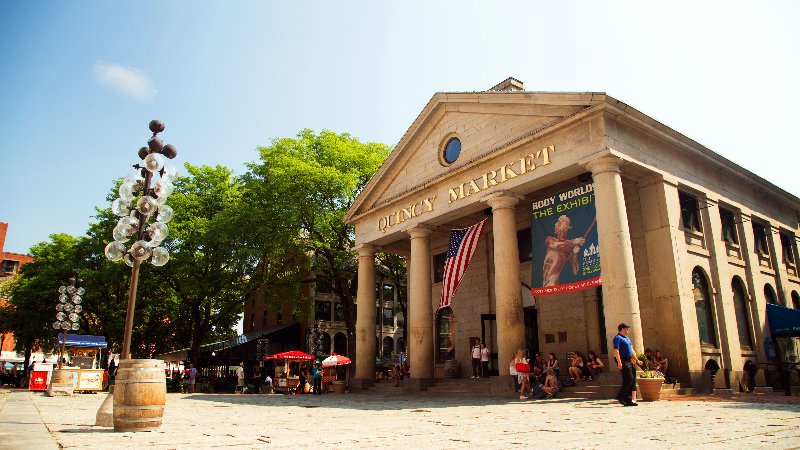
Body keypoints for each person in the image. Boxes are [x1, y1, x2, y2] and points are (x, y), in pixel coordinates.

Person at [542, 215, 587, 286]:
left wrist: (574, 254)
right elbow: (555, 245)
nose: (562, 227)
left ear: (567, 228)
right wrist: (574, 242)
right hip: (544, 284)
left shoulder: (569, 246)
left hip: (553, 282)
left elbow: (575, 271)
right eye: (560, 223)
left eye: (565, 224)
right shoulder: (549, 239)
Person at [613, 323, 639, 406]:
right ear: (622, 329)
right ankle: (621, 396)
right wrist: (619, 362)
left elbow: (631, 350)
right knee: (629, 378)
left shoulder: (627, 338)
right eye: (626, 328)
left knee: (630, 379)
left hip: (629, 360)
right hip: (623, 360)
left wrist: (637, 360)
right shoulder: (617, 338)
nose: (628, 330)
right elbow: (616, 350)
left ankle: (628, 399)